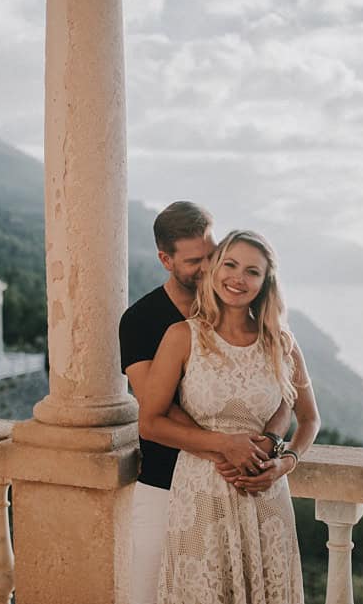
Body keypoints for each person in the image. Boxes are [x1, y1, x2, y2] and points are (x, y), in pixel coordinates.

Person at [120, 204, 291, 604]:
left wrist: (270, 443)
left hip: (239, 487)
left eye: (212, 255)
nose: (208, 267)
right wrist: (225, 445)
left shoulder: (234, 310)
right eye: (195, 260)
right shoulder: (142, 320)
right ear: (166, 259)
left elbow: (283, 392)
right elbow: (156, 406)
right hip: (165, 481)